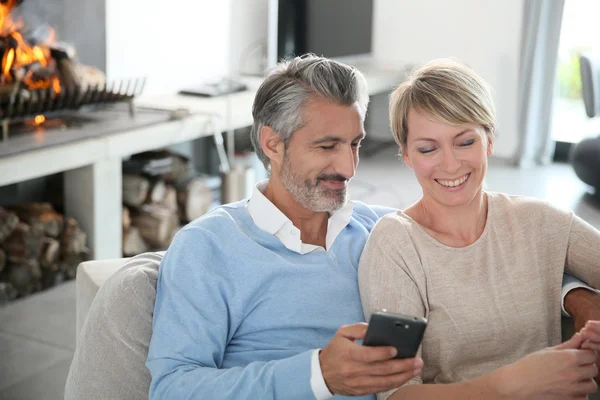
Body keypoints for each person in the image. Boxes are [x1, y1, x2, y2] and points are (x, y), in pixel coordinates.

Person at [144, 55, 600, 400]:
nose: (348, 166)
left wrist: (575, 294)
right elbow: (171, 388)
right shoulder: (209, 247)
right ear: (272, 142)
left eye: (356, 143)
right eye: (327, 146)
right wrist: (318, 373)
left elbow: (486, 260)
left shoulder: (382, 229)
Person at [358, 58, 600, 400]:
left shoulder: (541, 221)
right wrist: (506, 386)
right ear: (407, 156)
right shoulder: (395, 244)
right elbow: (396, 393)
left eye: (465, 142)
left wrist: (584, 303)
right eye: (428, 148)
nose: (451, 163)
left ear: (489, 140)